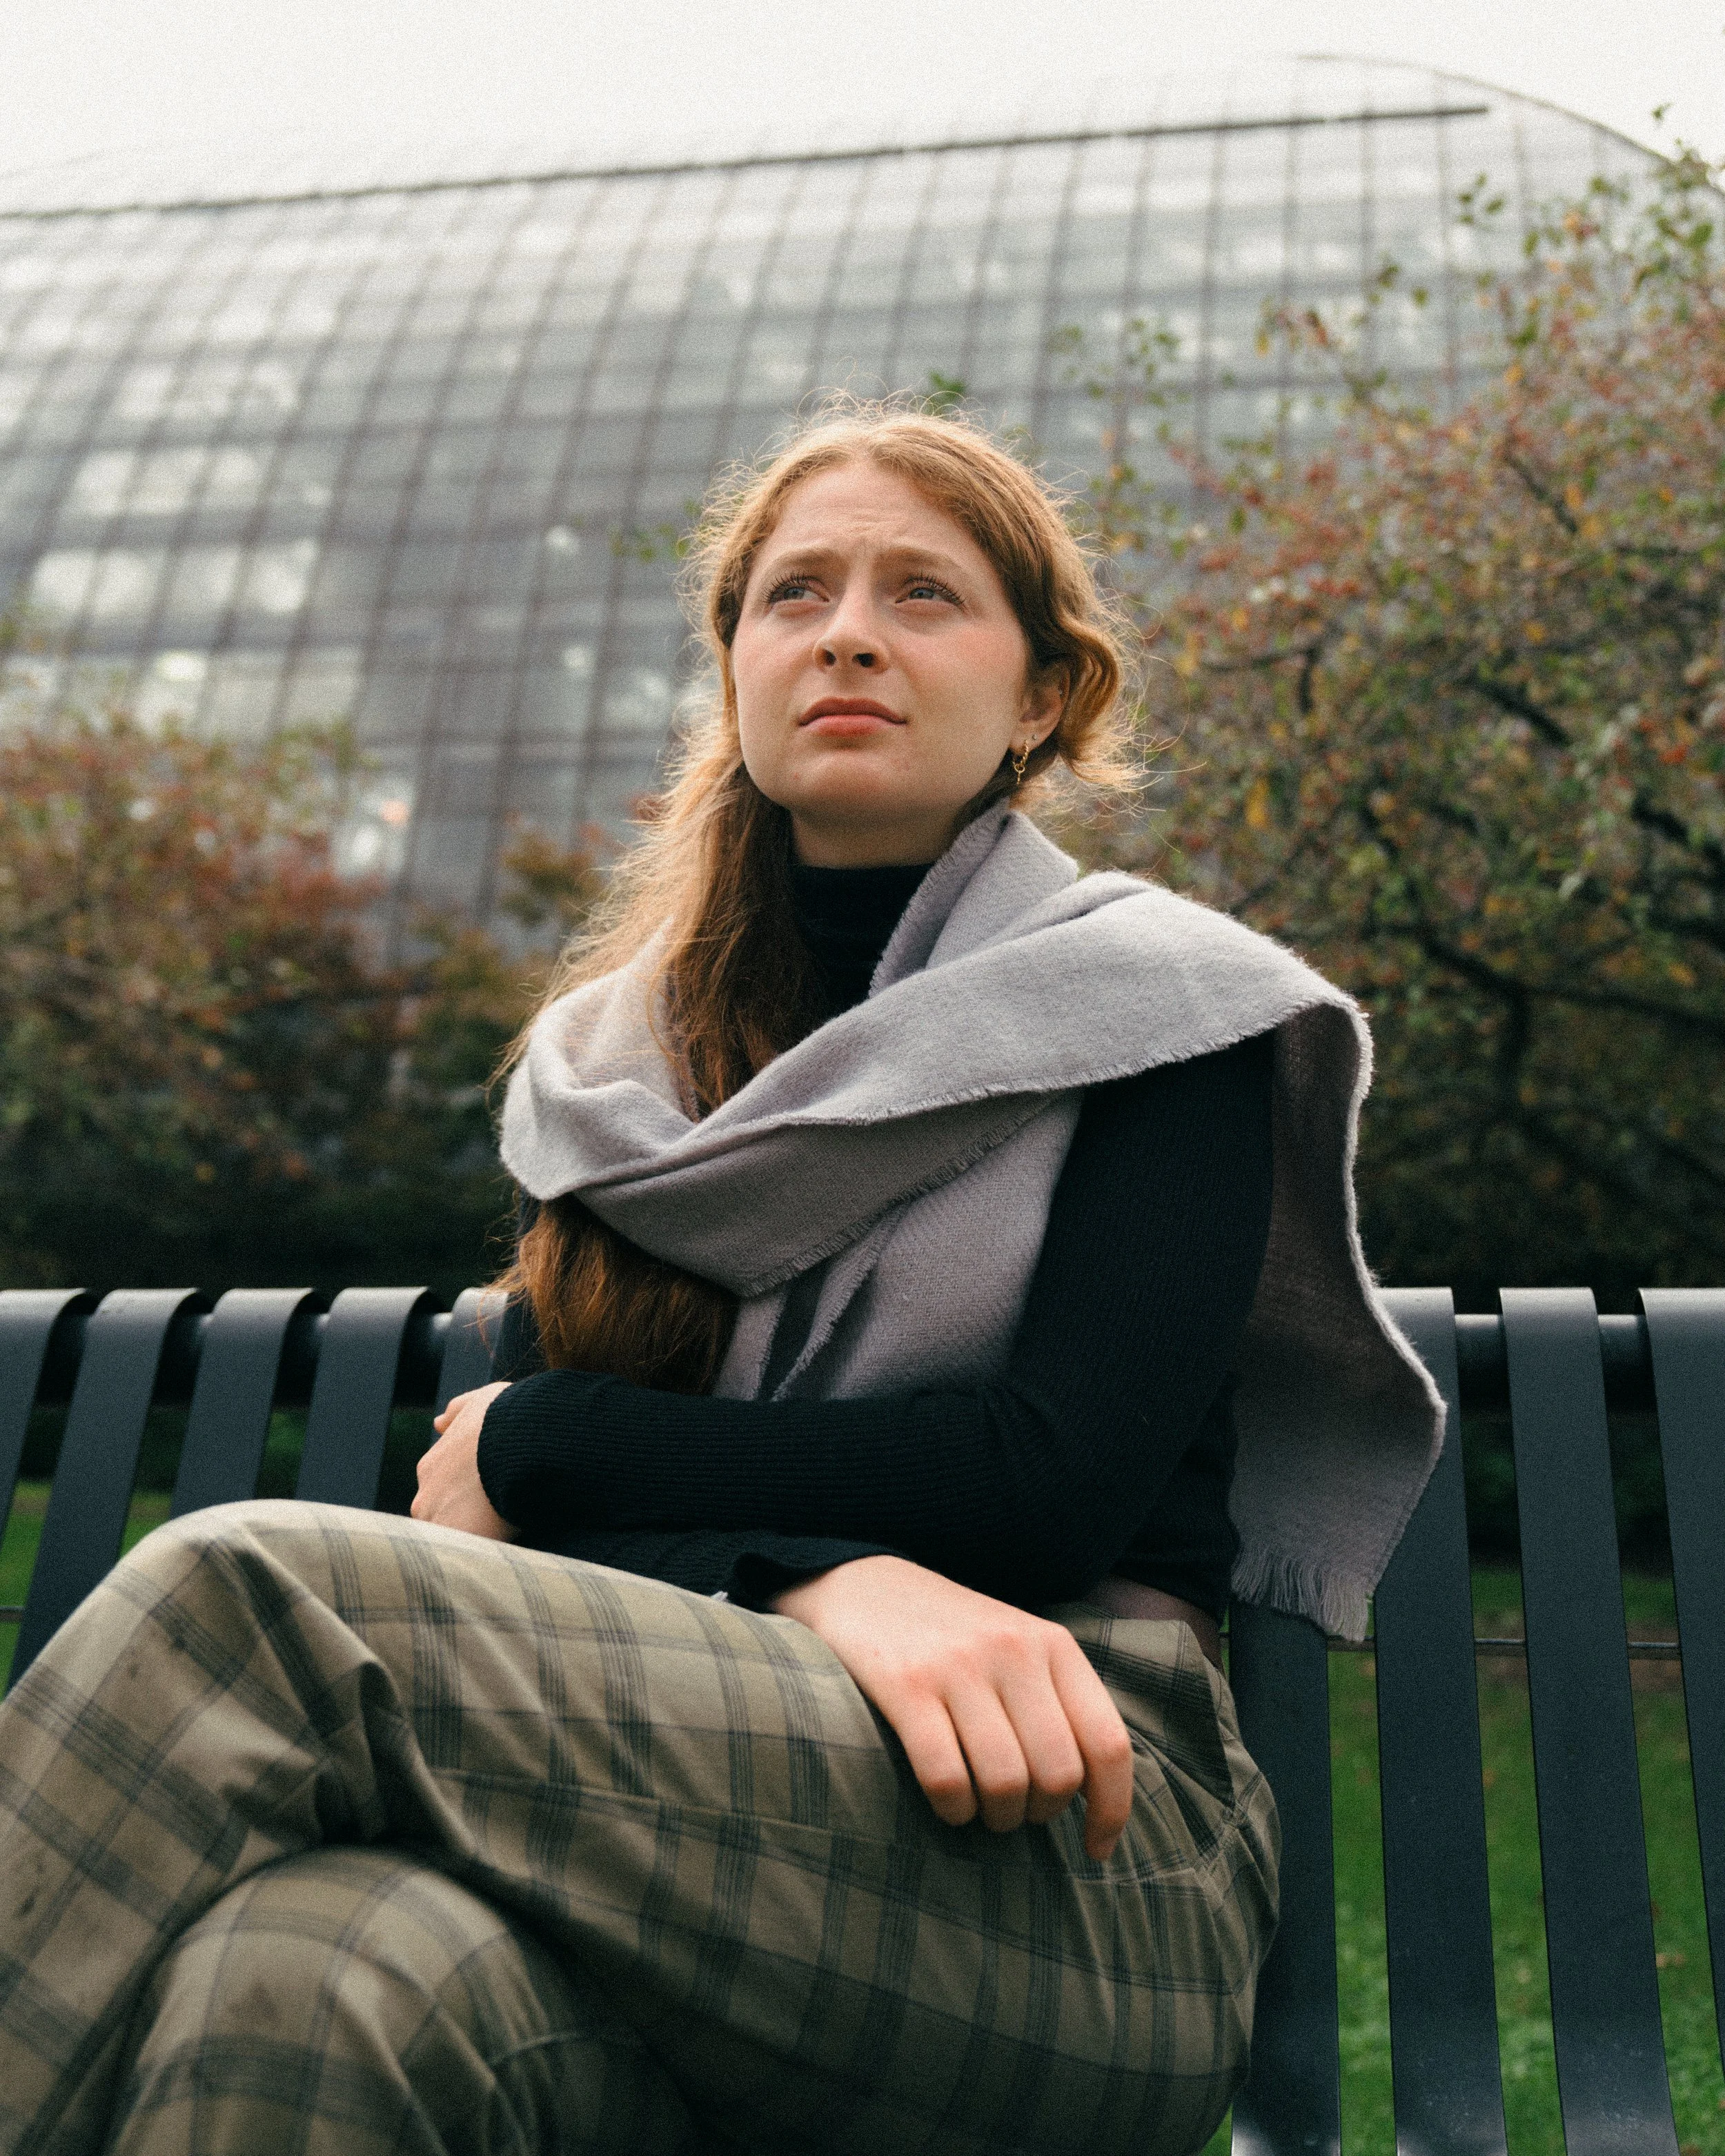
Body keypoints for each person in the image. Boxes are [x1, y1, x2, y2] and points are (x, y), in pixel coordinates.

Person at [0, 404, 1441, 2156]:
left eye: (924, 594)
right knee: (301, 1970)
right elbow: (509, 1510)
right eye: (795, 594)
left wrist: (573, 1448)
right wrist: (824, 1568)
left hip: (1066, 1843)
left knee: (256, 1595)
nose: (847, 629)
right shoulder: (628, 1076)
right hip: (666, 1865)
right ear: (735, 669)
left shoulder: (1166, 1015)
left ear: (1044, 694)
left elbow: (1039, 1480)